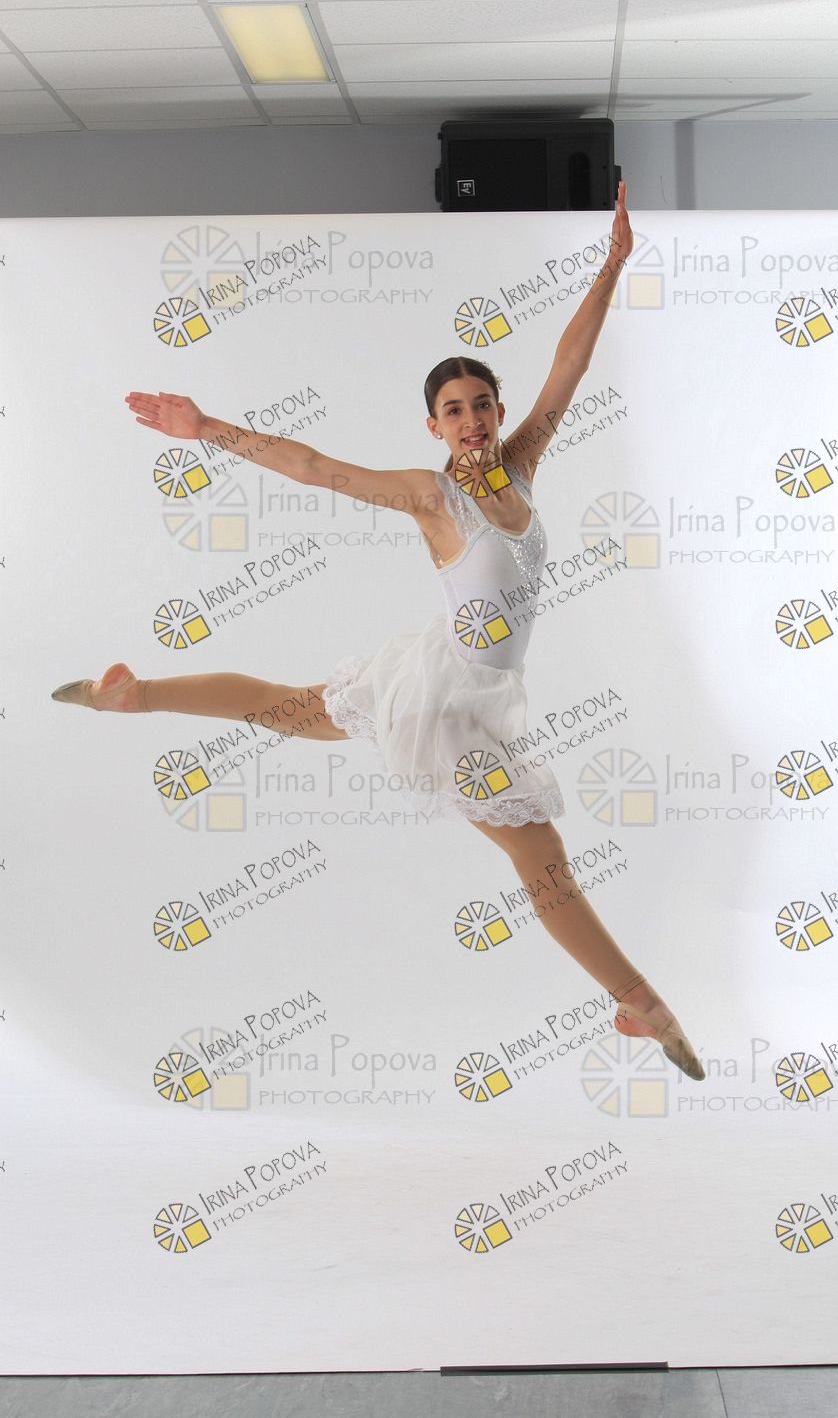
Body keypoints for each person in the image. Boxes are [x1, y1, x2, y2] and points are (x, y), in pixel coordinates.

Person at [51, 182, 705, 1081]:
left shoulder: (521, 466)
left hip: (465, 688)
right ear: (433, 426)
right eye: (454, 410)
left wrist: (613, 265)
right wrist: (206, 429)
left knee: (290, 709)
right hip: (442, 698)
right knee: (540, 854)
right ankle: (642, 1004)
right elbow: (316, 467)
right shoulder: (429, 495)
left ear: (498, 412)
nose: (471, 419)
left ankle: (136, 696)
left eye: (482, 403)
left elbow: (570, 364)